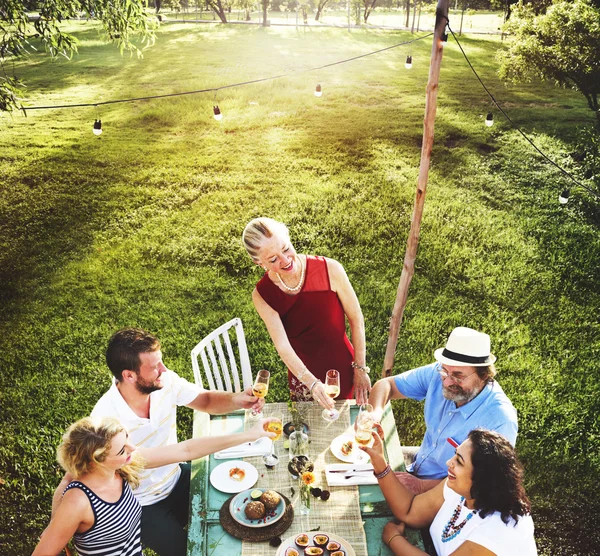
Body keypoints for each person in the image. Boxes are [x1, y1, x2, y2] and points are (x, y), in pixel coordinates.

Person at [52, 327, 265, 556]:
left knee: (235, 509)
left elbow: (205, 400)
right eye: (154, 367)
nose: (163, 370)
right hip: (141, 504)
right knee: (196, 551)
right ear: (129, 375)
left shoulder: (164, 381)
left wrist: (238, 400)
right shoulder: (106, 423)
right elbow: (185, 450)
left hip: (177, 478)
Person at [34, 416, 276, 556]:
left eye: (127, 440)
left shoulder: (121, 467)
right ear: (96, 461)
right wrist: (57, 520)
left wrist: (250, 434)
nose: (131, 449)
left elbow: (186, 450)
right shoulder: (78, 501)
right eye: (122, 449)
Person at [369, 326, 518, 495]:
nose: (446, 382)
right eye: (444, 372)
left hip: (447, 497)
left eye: (458, 376)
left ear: (484, 375)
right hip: (417, 465)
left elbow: (485, 484)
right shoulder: (441, 371)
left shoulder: (500, 420)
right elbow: (385, 385)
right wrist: (374, 416)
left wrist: (420, 486)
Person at [241, 217, 371, 408]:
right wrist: (311, 383)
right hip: (301, 374)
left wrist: (360, 369)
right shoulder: (262, 295)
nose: (285, 261)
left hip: (342, 367)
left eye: (285, 249)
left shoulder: (331, 269)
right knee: (309, 432)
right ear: (259, 262)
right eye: (273, 259)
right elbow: (283, 347)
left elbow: (356, 319)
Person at [362, 426, 537, 555]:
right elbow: (410, 511)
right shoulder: (462, 488)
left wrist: (394, 540)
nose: (449, 462)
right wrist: (379, 461)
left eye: (459, 461)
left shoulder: (498, 529)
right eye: (455, 454)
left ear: (482, 478)